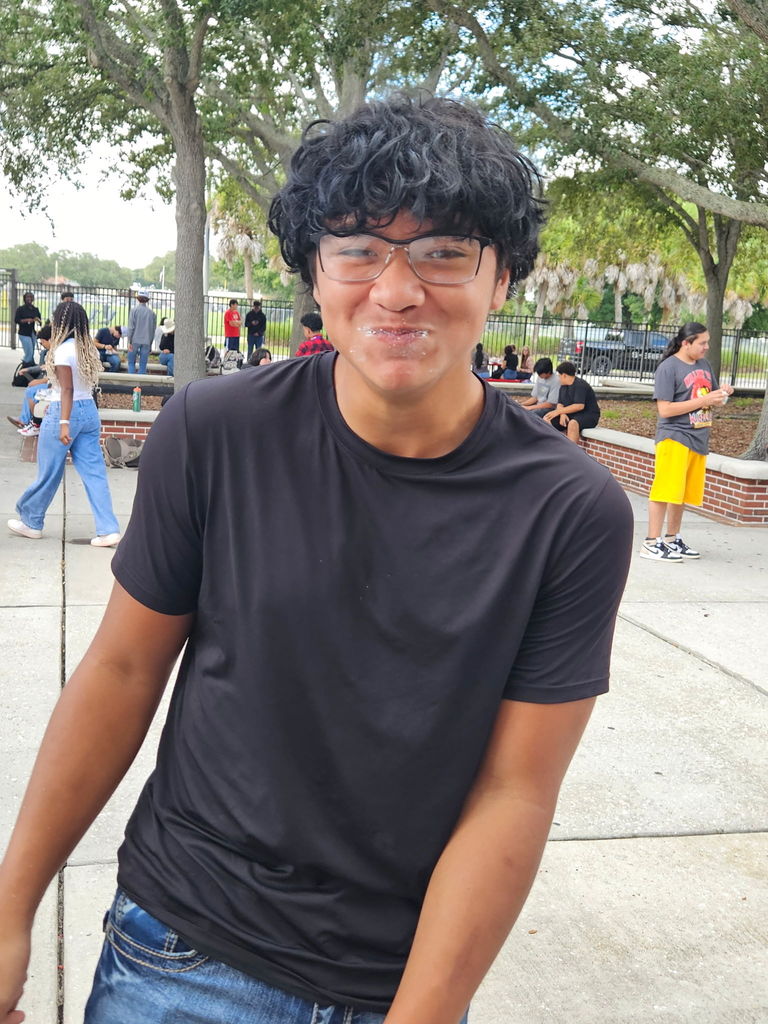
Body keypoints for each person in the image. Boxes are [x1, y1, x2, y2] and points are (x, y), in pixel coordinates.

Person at [0, 96, 633, 1024]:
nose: (397, 290)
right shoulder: (216, 432)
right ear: (314, 272)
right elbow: (123, 671)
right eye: (359, 249)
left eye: (444, 252)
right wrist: (11, 909)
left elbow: (515, 790)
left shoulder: (571, 511)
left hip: (399, 976)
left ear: (502, 279)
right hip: (182, 952)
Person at [7, 301, 121, 547]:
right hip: (88, 411)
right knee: (94, 473)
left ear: (60, 322)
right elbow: (77, 387)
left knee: (49, 472)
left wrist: (64, 422)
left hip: (65, 411)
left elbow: (67, 389)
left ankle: (31, 522)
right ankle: (108, 530)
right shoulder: (88, 349)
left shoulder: (62, 351)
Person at [640, 322, 732, 562]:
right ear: (686, 343)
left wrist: (722, 394)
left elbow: (712, 399)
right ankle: (650, 543)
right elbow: (665, 410)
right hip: (674, 437)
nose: (707, 347)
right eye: (702, 342)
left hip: (698, 438)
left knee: (679, 493)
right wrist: (704, 401)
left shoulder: (704, 365)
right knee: (664, 490)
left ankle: (672, 539)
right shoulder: (668, 368)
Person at [543, 361, 601, 442]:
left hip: (588, 415)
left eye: (559, 376)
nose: (558, 379)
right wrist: (562, 414)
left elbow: (579, 406)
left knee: (572, 423)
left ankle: (572, 450)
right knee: (547, 419)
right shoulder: (563, 386)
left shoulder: (580, 385)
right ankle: (554, 446)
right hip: (572, 414)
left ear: (564, 375)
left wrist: (558, 412)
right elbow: (560, 404)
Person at [126, 290, 157, 373]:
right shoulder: (152, 313)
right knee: (143, 364)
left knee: (131, 362)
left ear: (138, 298)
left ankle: (131, 378)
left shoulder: (134, 310)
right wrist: (150, 343)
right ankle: (141, 379)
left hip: (134, 340)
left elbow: (131, 327)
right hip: (146, 340)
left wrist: (129, 341)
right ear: (147, 300)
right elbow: (153, 330)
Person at [14, 292, 42, 365]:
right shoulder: (20, 309)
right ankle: (25, 365)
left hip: (32, 333)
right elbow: (16, 320)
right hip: (24, 333)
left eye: (31, 297)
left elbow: (40, 321)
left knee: (31, 352)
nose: (29, 298)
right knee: (29, 352)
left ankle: (30, 365)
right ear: (24, 299)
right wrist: (26, 320)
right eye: (27, 297)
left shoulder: (35, 309)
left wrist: (38, 320)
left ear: (33, 299)